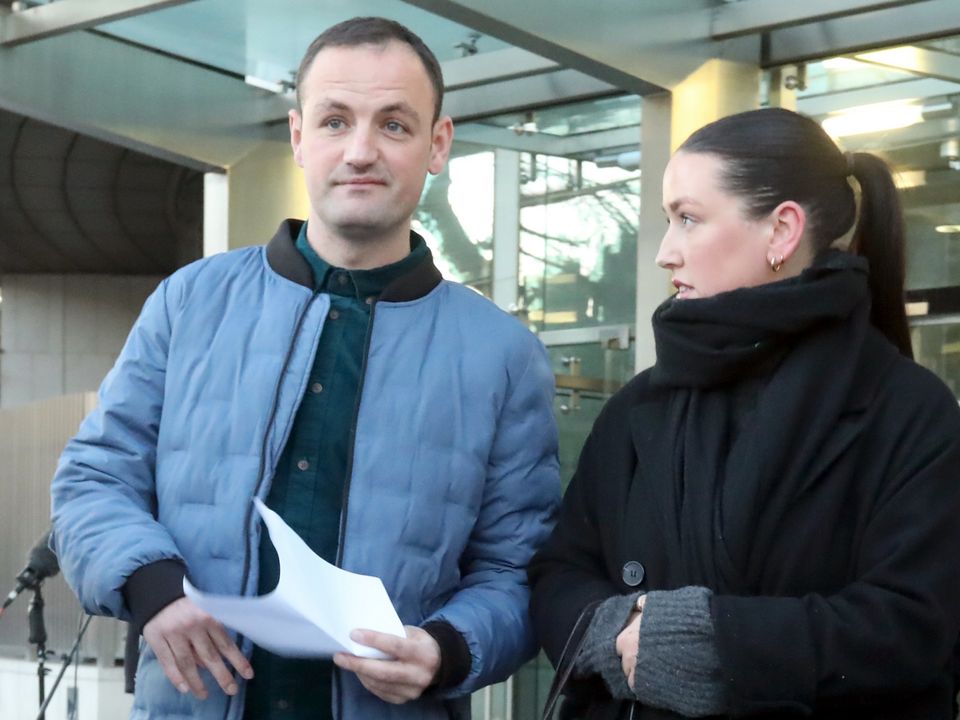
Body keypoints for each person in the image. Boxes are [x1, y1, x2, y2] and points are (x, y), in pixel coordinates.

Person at [50, 16, 559, 720]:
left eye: (394, 125)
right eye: (334, 121)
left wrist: (448, 648)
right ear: (297, 136)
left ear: (438, 144)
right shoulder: (190, 301)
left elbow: (518, 570)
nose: (360, 150)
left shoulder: (505, 356)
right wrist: (155, 589)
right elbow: (94, 478)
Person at [528, 107, 960, 720]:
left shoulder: (911, 412)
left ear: (781, 231)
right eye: (667, 220)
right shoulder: (636, 407)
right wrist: (614, 630)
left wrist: (717, 643)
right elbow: (560, 569)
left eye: (688, 219)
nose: (665, 253)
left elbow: (916, 623)